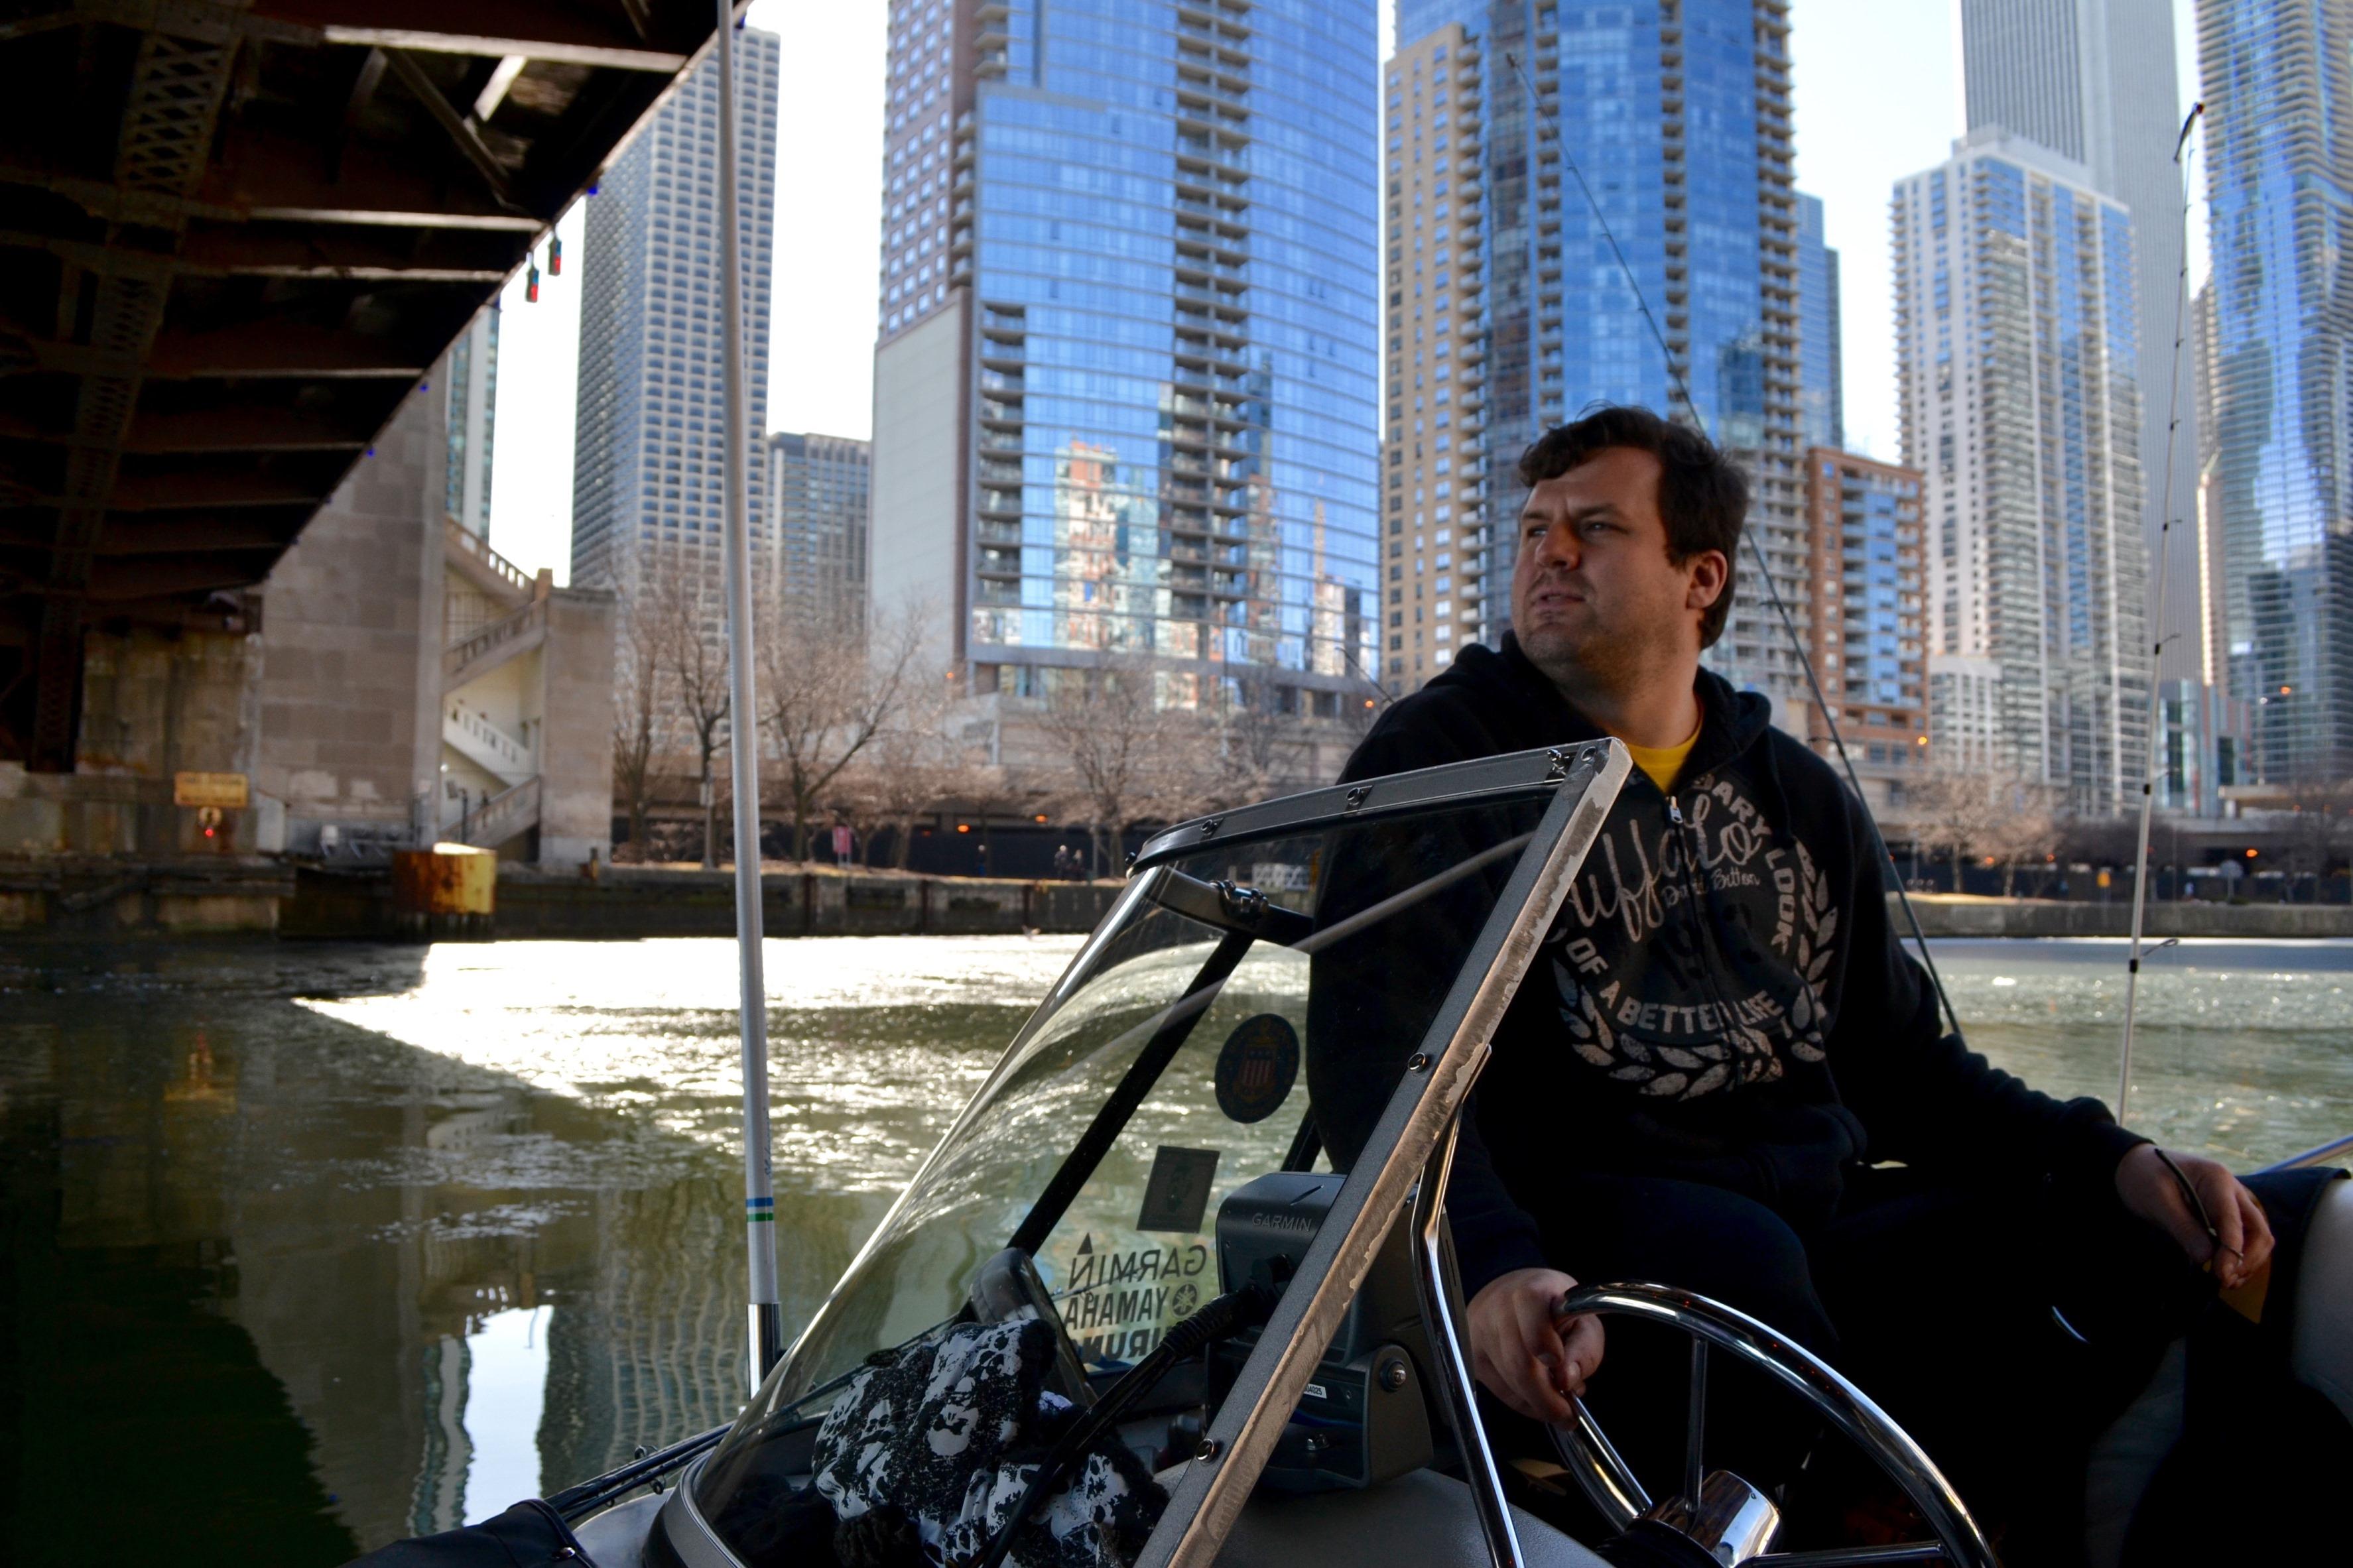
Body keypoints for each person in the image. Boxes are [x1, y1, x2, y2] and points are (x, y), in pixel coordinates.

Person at [1310, 406, 2277, 1561]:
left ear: (1699, 576)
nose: (1548, 553)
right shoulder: (1439, 763)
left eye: (1596, 527)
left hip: (1816, 1212)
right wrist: (1493, 1264)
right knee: (1747, 1267)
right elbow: (1381, 1068)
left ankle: (1969, 1513)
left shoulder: (1804, 797)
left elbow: (1910, 1067)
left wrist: (2111, 1155)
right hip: (1579, 1219)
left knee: (2125, 1234)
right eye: (1533, 529)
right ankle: (1853, 1518)